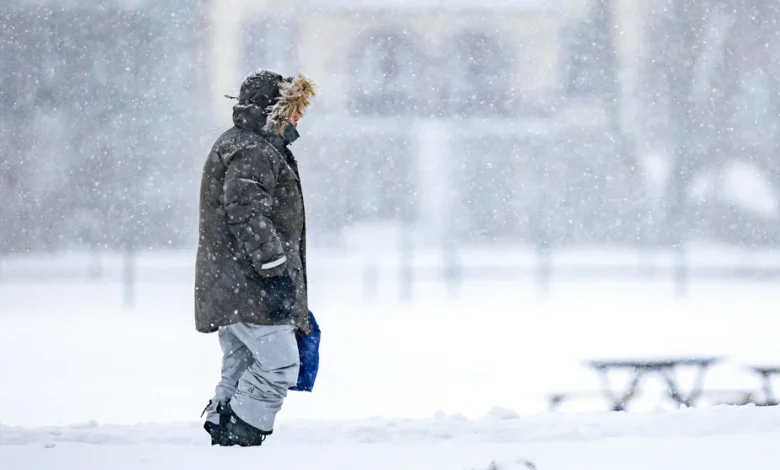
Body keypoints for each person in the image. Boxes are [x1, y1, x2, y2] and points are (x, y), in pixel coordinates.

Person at [194, 70, 316, 447]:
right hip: (252, 285)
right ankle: (241, 434)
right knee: (280, 364)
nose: (298, 119)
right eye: (293, 111)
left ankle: (223, 432)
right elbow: (247, 214)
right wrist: (275, 273)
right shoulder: (253, 149)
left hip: (236, 282)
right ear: (274, 111)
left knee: (243, 361)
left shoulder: (251, 144)